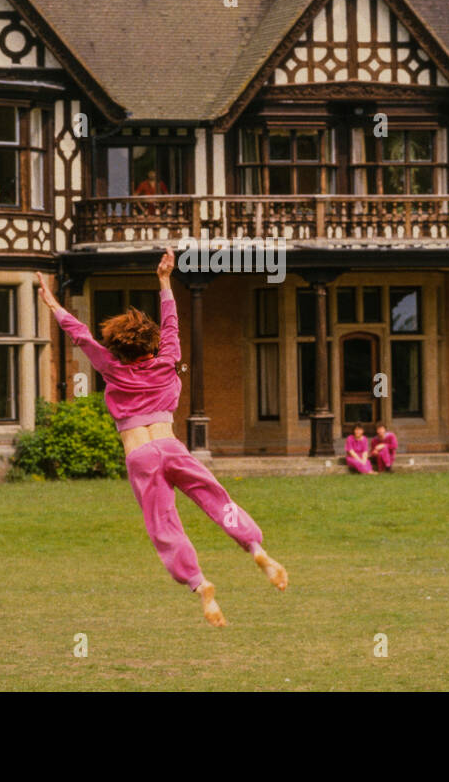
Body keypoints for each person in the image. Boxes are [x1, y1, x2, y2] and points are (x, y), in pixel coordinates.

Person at [36, 250, 287, 628]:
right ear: (152, 344)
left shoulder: (111, 367)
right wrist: (165, 280)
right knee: (215, 498)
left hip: (140, 455)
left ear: (118, 348)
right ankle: (255, 546)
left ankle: (199, 583)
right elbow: (172, 323)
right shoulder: (168, 356)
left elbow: (81, 336)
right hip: (171, 446)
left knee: (163, 524)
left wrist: (52, 301)